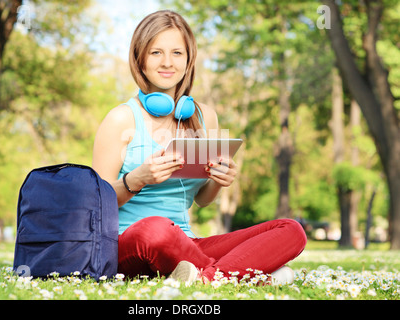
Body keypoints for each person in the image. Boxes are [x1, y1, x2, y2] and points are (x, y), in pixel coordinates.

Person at [92, 10, 306, 285]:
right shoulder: (121, 118)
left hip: (186, 245)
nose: (167, 62)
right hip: (129, 244)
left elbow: (202, 199)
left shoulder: (204, 116)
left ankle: (206, 278)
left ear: (189, 59)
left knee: (290, 229)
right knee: (155, 229)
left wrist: (218, 180)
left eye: (177, 53)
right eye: (156, 52)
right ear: (140, 59)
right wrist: (137, 179)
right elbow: (95, 205)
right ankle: (242, 275)